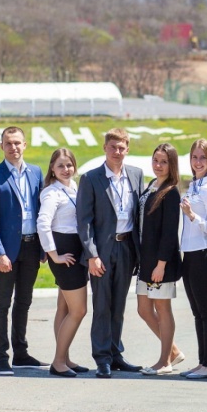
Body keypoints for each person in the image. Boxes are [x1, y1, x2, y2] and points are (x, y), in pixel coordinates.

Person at [77, 128, 145, 378]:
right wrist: (92, 255)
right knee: (102, 305)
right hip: (102, 251)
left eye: (121, 147)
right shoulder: (91, 178)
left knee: (119, 305)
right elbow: (84, 221)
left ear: (127, 149)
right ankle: (102, 358)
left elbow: (139, 215)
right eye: (113, 147)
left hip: (127, 247)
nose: (117, 152)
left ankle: (116, 354)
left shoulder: (136, 175)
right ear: (105, 148)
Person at [0, 127, 46, 375]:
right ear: (2, 147)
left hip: (31, 246)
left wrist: (43, 247)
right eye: (8, 143)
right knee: (2, 303)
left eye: (17, 143)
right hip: (6, 251)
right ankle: (2, 357)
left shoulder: (36, 172)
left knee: (24, 301)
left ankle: (21, 353)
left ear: (25, 145)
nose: (13, 147)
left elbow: (41, 209)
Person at [37, 148, 90, 378]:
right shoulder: (51, 193)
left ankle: (65, 358)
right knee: (79, 310)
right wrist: (54, 255)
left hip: (76, 249)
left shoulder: (74, 187)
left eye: (69, 165)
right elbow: (43, 224)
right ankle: (58, 361)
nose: (66, 169)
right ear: (52, 168)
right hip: (65, 252)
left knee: (65, 308)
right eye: (60, 165)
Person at [137, 143, 185, 376]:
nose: (158, 165)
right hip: (145, 260)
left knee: (162, 308)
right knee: (144, 309)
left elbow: (169, 231)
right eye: (156, 160)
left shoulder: (171, 191)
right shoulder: (151, 185)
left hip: (161, 262)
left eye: (164, 162)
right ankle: (173, 351)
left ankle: (164, 361)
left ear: (172, 164)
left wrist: (161, 264)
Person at [179, 138, 207, 380]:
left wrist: (191, 215)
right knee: (197, 312)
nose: (198, 162)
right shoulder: (194, 185)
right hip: (189, 253)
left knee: (206, 310)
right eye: (195, 157)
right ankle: (202, 362)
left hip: (204, 253)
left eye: (203, 157)